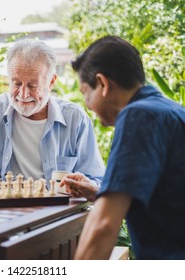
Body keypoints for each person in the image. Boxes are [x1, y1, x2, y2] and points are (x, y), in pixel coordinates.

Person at [0, 40, 105, 197]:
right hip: (5, 212)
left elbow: (96, 181)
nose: (23, 94)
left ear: (51, 82)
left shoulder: (75, 118)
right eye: (16, 84)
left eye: (32, 85)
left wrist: (88, 187)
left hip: (58, 215)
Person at [70, 35, 185, 259]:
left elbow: (103, 226)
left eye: (85, 92)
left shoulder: (139, 115)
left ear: (102, 84)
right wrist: (100, 193)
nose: (86, 104)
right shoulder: (171, 111)